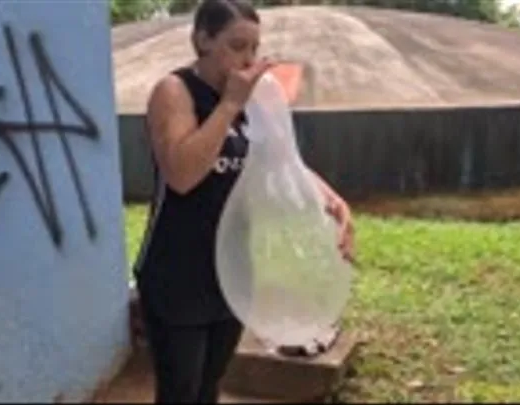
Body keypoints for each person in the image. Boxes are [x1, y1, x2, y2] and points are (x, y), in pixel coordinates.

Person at [133, 0, 355, 403]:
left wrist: (331, 198)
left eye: (254, 48)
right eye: (237, 46)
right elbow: (182, 175)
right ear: (202, 39)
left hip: (232, 271)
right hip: (176, 273)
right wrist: (230, 104)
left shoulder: (258, 99)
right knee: (180, 391)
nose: (248, 60)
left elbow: (283, 161)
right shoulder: (175, 91)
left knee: (209, 385)